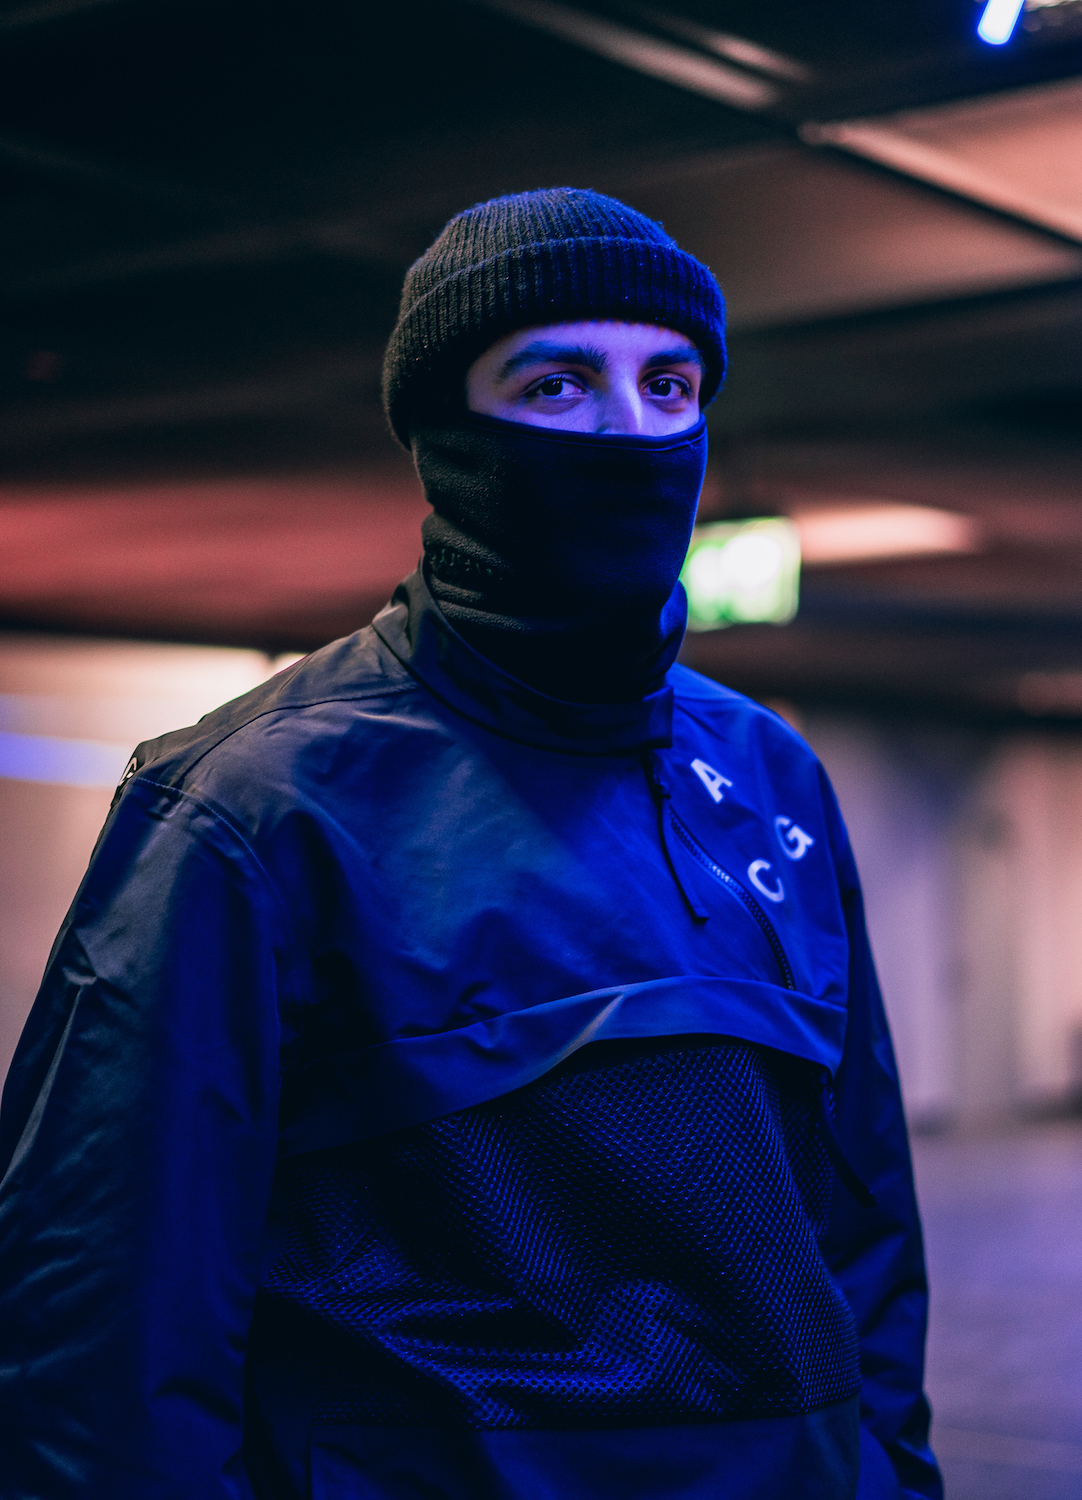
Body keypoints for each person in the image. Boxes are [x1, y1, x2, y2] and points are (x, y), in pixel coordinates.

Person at [0, 188, 941, 1500]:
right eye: (556, 385)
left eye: (668, 386)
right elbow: (103, 1331)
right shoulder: (251, 805)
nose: (628, 431)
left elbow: (861, 1223)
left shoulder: (765, 772)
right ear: (444, 433)